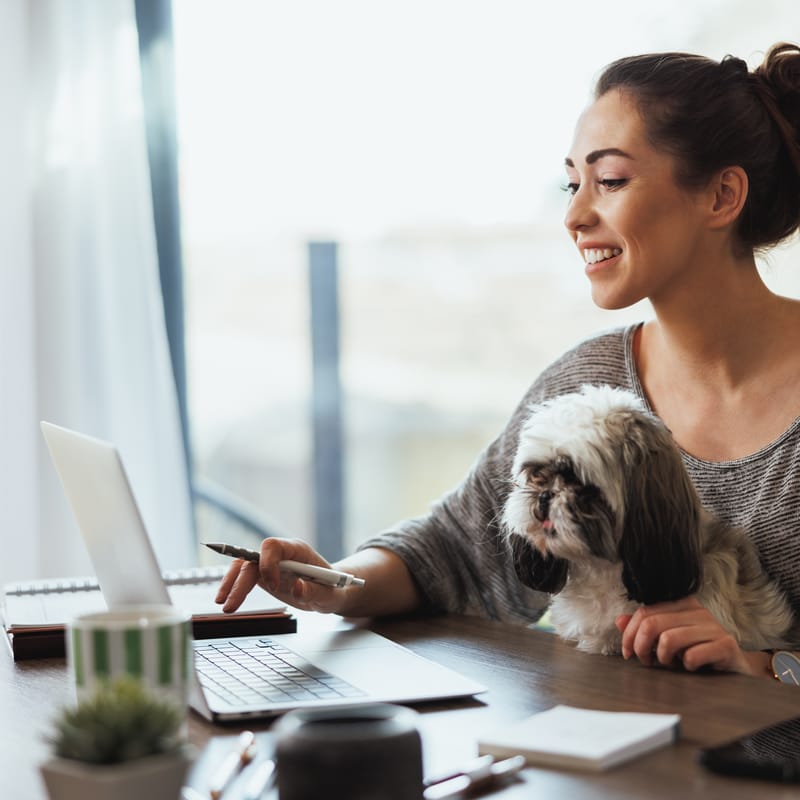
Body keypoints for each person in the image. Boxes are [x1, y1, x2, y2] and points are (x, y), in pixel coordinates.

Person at [217, 42, 800, 680]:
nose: (575, 215)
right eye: (572, 184)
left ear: (721, 195)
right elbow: (456, 550)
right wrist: (329, 584)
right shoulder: (589, 381)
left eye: (609, 181)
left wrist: (760, 664)